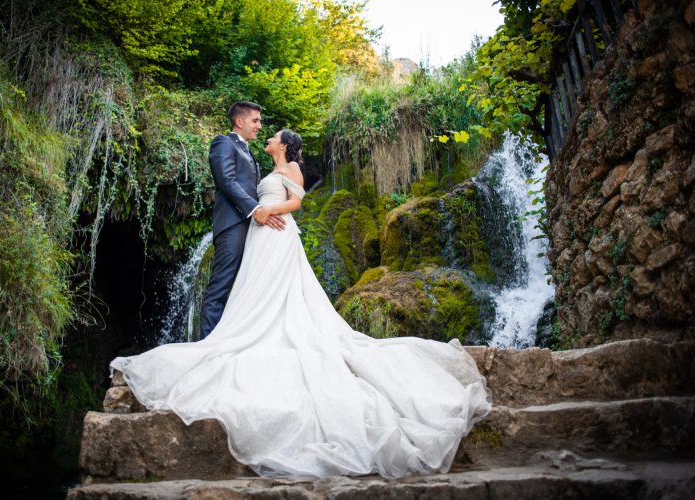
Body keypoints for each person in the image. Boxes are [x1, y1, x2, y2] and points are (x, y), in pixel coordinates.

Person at [111, 128, 491, 480]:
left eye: (273, 135)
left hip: (276, 233)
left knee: (281, 296)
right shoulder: (265, 165)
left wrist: (267, 211)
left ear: (285, 145)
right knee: (255, 294)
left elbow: (296, 202)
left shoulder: (291, 166)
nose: (268, 135)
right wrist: (259, 212)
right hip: (261, 234)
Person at [199, 101, 285, 339]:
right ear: (239, 121)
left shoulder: (247, 150)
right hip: (232, 226)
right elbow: (226, 181)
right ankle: (207, 346)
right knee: (220, 286)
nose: (260, 126)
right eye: (255, 121)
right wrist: (255, 208)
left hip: (251, 227)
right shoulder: (223, 143)